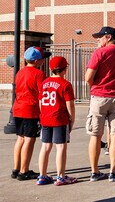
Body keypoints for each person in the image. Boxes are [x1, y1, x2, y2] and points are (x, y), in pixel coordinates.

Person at [85, 26, 115, 182]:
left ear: (108, 37)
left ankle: (95, 171)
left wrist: (98, 86)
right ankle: (113, 171)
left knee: (95, 135)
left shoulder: (99, 53)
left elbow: (88, 77)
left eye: (100, 37)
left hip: (99, 97)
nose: (98, 40)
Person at [37, 56, 77, 186]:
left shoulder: (44, 83)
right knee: (61, 147)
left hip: (45, 117)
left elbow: (40, 102)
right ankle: (61, 176)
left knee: (45, 146)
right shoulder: (65, 84)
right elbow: (69, 104)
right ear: (64, 70)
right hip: (59, 118)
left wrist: (42, 114)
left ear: (51, 69)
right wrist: (72, 119)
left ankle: (42, 176)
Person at [12, 46, 46, 181]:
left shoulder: (19, 72)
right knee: (29, 139)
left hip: (18, 107)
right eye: (42, 59)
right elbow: (41, 94)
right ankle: (24, 170)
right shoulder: (38, 74)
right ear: (37, 61)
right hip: (30, 109)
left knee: (20, 138)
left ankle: (16, 168)